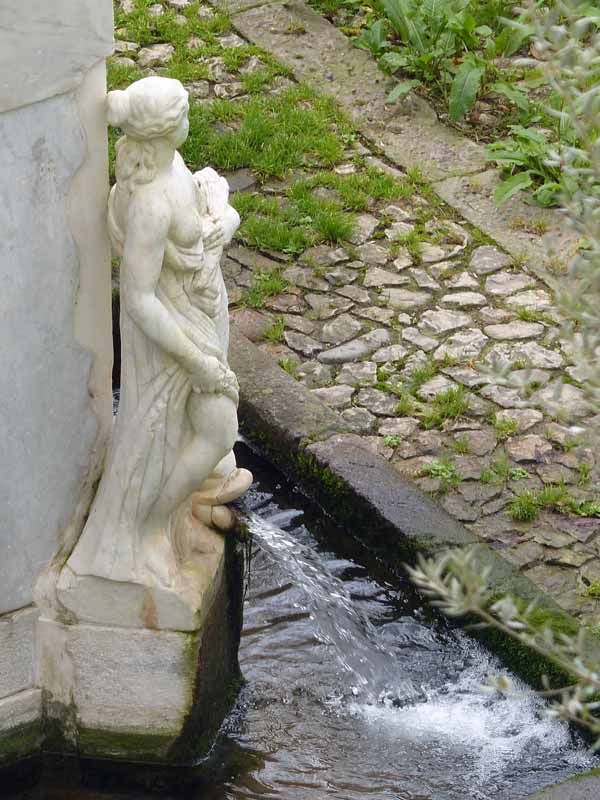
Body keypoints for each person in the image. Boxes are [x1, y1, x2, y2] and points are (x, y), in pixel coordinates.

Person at [68, 76, 251, 588]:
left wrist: (224, 217)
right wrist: (197, 360)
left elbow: (200, 225)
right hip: (174, 332)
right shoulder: (150, 203)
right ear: (162, 130)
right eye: (184, 115)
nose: (191, 122)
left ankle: (179, 506)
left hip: (199, 309)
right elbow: (140, 298)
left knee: (205, 432)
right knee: (213, 426)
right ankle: (143, 529)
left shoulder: (170, 169)